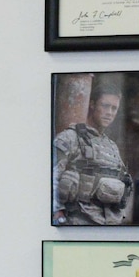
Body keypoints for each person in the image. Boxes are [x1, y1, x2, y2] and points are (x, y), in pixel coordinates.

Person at [51, 78, 134, 225]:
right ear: (92, 104)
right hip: (78, 223)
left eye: (114, 108)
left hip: (110, 225)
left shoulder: (112, 147)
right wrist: (57, 215)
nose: (109, 113)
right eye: (105, 106)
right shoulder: (70, 138)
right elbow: (49, 180)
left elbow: (125, 184)